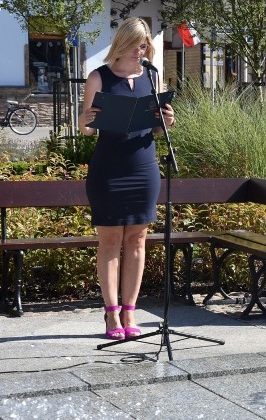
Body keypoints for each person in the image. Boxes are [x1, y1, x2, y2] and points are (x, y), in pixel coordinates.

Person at [79, 18, 176, 340]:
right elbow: (87, 129)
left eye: (145, 44)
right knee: (109, 241)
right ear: (122, 44)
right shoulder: (99, 77)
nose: (141, 50)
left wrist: (167, 121)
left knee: (137, 240)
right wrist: (85, 119)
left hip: (144, 166)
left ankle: (130, 310)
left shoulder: (151, 76)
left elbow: (157, 126)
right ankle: (110, 315)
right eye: (137, 44)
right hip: (109, 167)